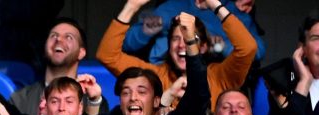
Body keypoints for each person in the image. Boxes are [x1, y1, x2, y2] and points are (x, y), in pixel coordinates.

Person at [98, 0, 256, 106]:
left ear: (203, 47)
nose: (181, 45)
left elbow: (248, 49)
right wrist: (131, 6)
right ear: (168, 46)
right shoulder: (156, 76)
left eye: (190, 38)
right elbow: (107, 55)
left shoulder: (219, 76)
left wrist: (215, 4)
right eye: (175, 39)